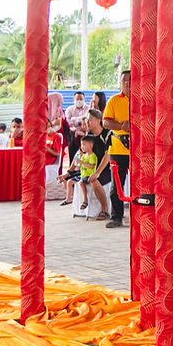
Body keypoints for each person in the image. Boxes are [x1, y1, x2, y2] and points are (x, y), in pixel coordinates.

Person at [103, 71, 132, 228]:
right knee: (117, 185)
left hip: (138, 150)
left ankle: (139, 215)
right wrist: (121, 125)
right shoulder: (114, 100)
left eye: (130, 80)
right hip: (117, 148)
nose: (127, 83)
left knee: (140, 184)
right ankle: (116, 217)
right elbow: (106, 123)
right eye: (124, 80)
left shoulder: (142, 100)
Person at [60, 134, 109, 216]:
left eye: (84, 145)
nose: (82, 147)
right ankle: (70, 199)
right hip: (82, 174)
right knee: (70, 181)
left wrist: (82, 163)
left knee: (83, 182)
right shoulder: (83, 155)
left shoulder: (92, 156)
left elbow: (92, 166)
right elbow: (77, 161)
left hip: (89, 175)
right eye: (81, 145)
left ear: (90, 145)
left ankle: (87, 201)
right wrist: (72, 169)